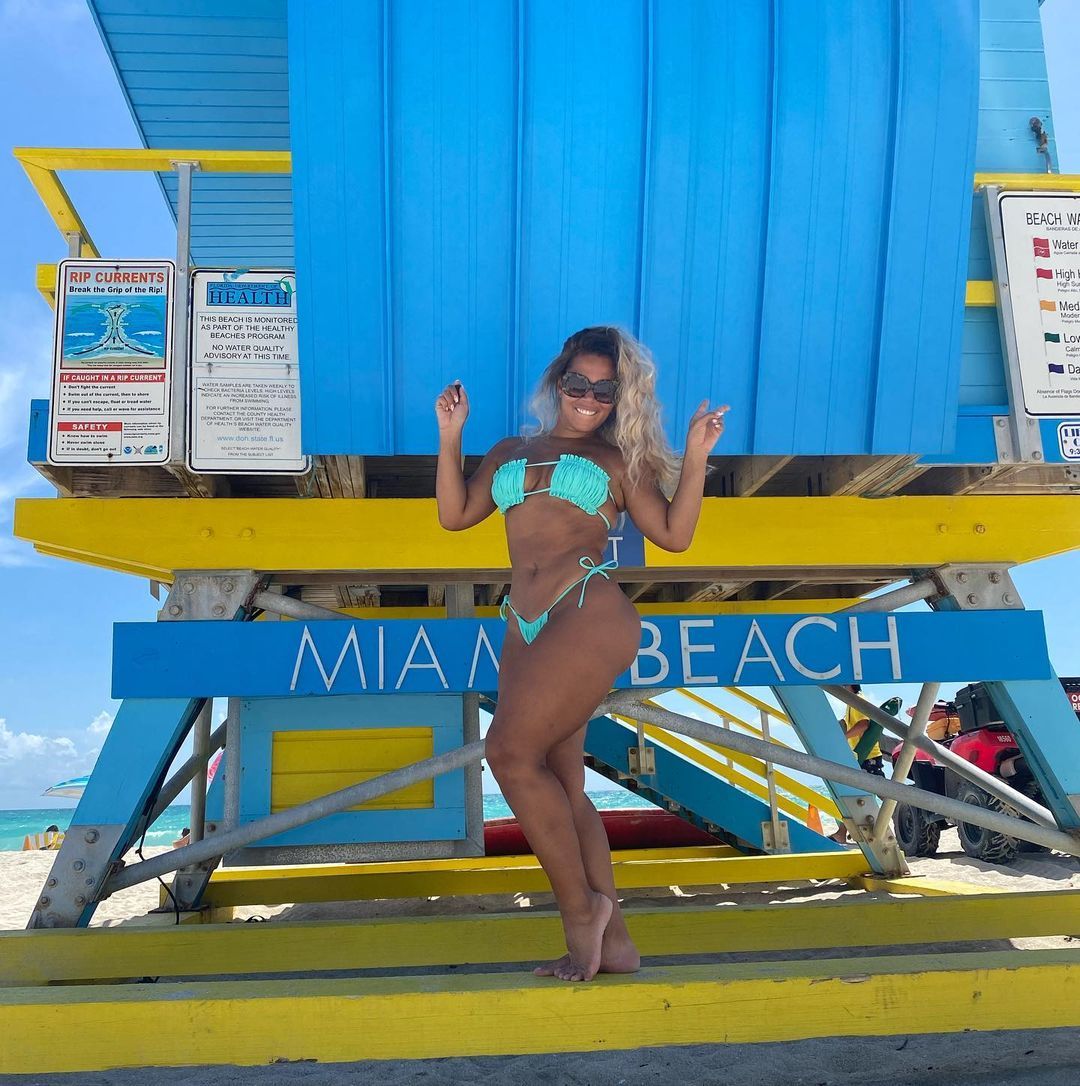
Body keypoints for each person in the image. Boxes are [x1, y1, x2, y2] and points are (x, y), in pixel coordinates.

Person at [435, 326, 728, 982]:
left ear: (619, 399)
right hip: (524, 625)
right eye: (579, 384)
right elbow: (455, 516)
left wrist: (695, 454)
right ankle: (616, 944)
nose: (590, 399)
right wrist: (451, 434)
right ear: (557, 380)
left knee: (509, 755)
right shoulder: (510, 451)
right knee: (564, 784)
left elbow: (674, 535)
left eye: (605, 390)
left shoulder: (617, 460)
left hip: (587, 612)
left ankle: (581, 913)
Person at [830, 684, 885, 844]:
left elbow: (863, 724)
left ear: (848, 685)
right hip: (862, 756)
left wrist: (844, 736)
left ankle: (907, 811)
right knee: (852, 793)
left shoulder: (857, 700)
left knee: (882, 794)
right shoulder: (851, 702)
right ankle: (842, 832)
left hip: (868, 757)